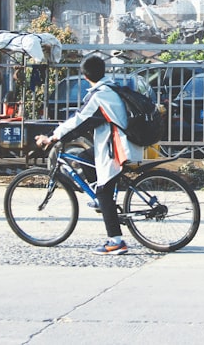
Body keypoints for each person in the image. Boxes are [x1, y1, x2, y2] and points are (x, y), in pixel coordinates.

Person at [35, 55, 143, 255]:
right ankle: (100, 200)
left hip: (115, 149)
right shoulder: (110, 89)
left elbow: (79, 119)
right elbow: (87, 121)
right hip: (115, 144)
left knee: (103, 191)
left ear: (85, 76)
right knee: (85, 158)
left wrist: (52, 138)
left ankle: (116, 241)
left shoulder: (100, 95)